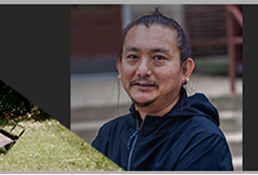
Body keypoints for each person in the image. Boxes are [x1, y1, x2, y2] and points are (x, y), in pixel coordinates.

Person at [89, 11, 233, 171]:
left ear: (185, 70)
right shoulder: (109, 136)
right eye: (132, 57)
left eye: (158, 58)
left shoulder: (203, 141)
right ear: (120, 67)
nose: (142, 71)